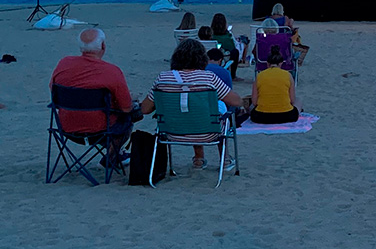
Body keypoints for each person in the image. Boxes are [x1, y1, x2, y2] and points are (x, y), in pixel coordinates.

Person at [140, 39, 241, 170]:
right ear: (202, 58)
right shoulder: (208, 78)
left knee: (188, 109)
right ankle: (225, 159)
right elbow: (236, 101)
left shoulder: (163, 79)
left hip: (172, 132)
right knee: (215, 110)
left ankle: (199, 158)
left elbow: (145, 109)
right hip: (208, 133)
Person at [50, 28, 134, 165]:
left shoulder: (64, 64)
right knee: (130, 115)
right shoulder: (112, 71)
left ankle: (117, 154)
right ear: (103, 46)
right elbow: (126, 108)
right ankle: (113, 156)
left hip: (66, 128)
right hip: (100, 130)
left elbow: (53, 91)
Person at [250, 45, 301, 124]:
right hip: (286, 115)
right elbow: (292, 100)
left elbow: (254, 102)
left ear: (267, 63)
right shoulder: (287, 75)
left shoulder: (260, 76)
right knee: (298, 101)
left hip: (261, 116)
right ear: (281, 63)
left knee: (251, 106)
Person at [210, 13, 240, 80]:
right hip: (224, 58)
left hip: (210, 58)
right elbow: (232, 48)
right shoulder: (227, 36)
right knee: (235, 52)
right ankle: (233, 75)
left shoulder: (210, 35)